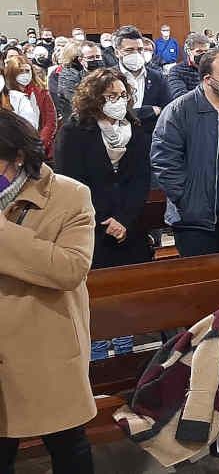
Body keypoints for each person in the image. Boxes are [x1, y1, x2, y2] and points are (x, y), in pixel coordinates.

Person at [0, 110, 97, 474]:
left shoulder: (69, 196)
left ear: (18, 157)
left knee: (67, 444)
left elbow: (70, 268)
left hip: (44, 346)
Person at [151, 50, 219, 257]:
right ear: (207, 79)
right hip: (195, 218)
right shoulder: (179, 110)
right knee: (202, 282)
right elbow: (165, 160)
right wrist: (186, 200)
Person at [55, 68, 152, 268]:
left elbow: (141, 178)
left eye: (123, 95)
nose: (119, 101)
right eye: (112, 96)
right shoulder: (74, 131)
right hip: (91, 223)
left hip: (129, 222)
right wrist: (104, 218)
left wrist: (124, 219)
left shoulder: (134, 128)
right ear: (95, 99)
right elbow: (71, 181)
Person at [114, 25, 169, 135]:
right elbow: (110, 113)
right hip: (118, 139)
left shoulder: (157, 77)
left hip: (150, 138)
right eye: (129, 50)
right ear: (117, 52)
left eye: (140, 49)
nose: (136, 54)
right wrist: (147, 111)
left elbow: (167, 109)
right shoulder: (108, 78)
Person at [4, 52, 57, 159]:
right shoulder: (5, 95)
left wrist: (39, 144)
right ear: (12, 73)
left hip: (40, 147)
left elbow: (50, 121)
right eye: (20, 72)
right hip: (12, 149)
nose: (24, 75)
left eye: (27, 71)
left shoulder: (41, 92)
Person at [57, 41, 103, 121]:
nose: (95, 60)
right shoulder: (68, 74)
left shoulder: (99, 71)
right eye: (90, 57)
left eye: (98, 56)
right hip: (78, 119)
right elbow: (76, 100)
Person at [167, 33, 212, 101]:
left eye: (206, 51)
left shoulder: (213, 68)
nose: (204, 55)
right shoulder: (176, 71)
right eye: (199, 51)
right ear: (189, 51)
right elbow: (180, 96)